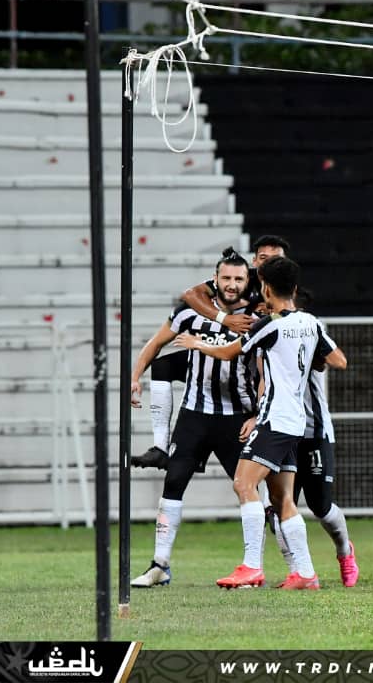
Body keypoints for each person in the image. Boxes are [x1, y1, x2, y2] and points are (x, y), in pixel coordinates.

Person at [176, 256, 347, 590]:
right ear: (294, 288)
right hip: (298, 421)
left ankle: (251, 566)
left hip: (274, 419)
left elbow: (230, 352)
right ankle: (306, 573)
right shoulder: (311, 323)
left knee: (243, 484)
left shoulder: (269, 325)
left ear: (265, 288)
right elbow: (338, 360)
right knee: (283, 499)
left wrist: (196, 343)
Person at [128, 251, 258, 587]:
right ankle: (159, 565)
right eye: (226, 278)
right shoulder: (191, 310)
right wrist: (134, 376)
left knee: (254, 492)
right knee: (173, 483)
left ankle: (264, 567)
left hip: (237, 417)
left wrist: (258, 413)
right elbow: (155, 343)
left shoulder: (256, 315)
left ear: (247, 281)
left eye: (238, 279)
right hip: (195, 415)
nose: (231, 285)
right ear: (215, 279)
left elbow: (265, 369)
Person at [131, 235, 290, 470]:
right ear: (255, 261)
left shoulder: (285, 291)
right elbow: (190, 294)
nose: (232, 284)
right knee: (164, 365)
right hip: (212, 355)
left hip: (249, 362)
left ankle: (260, 423)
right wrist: (226, 319)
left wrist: (270, 315)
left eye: (275, 259)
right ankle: (161, 447)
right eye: (264, 258)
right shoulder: (242, 278)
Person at [248, 290, 359, 587]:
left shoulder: (306, 328)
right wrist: (257, 416)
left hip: (313, 431)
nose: (264, 310)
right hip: (283, 428)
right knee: (279, 502)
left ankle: (345, 551)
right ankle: (298, 570)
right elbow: (264, 383)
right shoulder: (267, 339)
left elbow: (338, 361)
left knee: (321, 506)